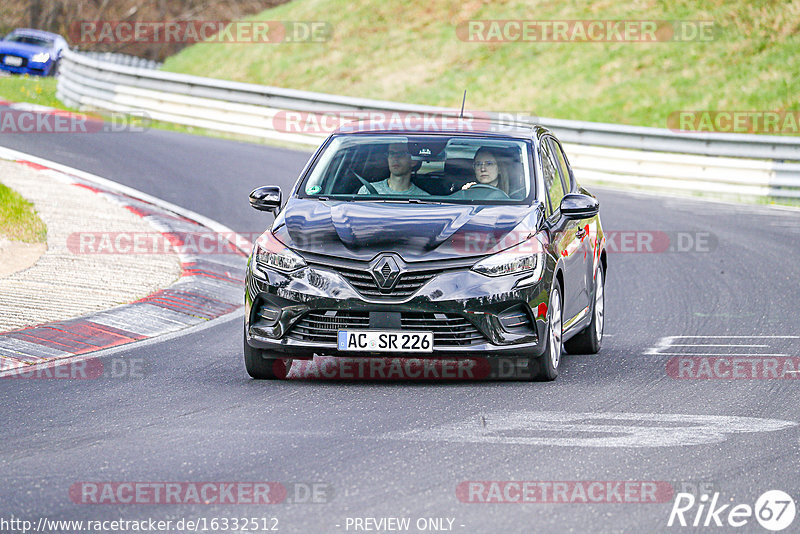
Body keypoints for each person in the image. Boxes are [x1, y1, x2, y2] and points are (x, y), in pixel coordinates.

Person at [357, 142, 429, 195]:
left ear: (413, 161)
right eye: (391, 153)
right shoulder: (367, 191)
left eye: (401, 153)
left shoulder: (423, 197)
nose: (395, 158)